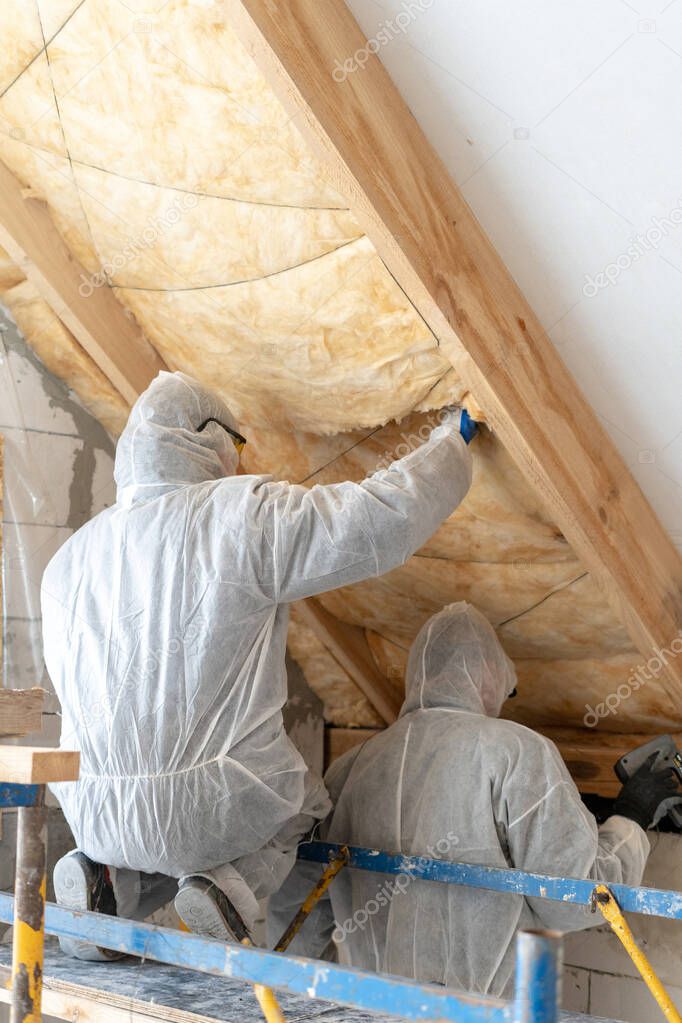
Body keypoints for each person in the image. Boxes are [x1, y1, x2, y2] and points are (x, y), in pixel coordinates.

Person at [42, 371, 476, 959]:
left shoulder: (69, 560)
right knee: (303, 808)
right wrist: (451, 446)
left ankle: (103, 886)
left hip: (93, 809)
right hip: (216, 807)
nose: (239, 462)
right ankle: (227, 888)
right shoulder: (241, 516)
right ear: (206, 438)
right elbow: (378, 521)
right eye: (237, 446)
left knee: (152, 835)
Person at [269, 602, 677, 995]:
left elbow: (298, 903)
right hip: (473, 1014)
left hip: (371, 1009)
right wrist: (631, 816)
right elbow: (573, 898)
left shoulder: (351, 766)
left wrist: (308, 1000)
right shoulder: (516, 752)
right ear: (487, 673)